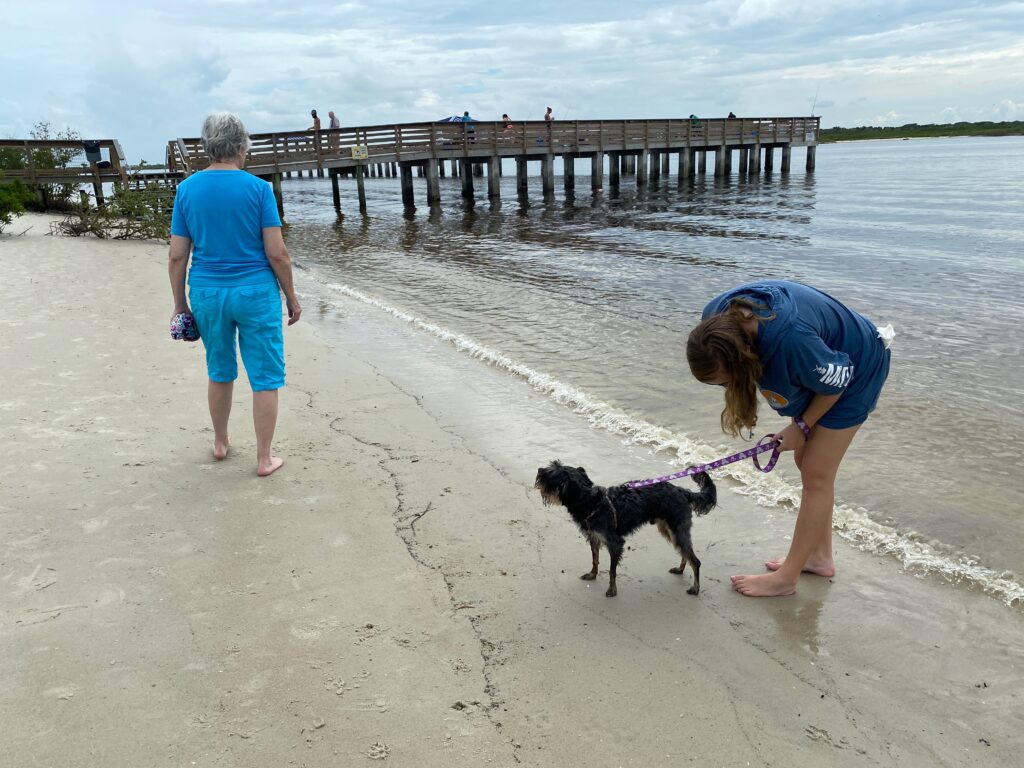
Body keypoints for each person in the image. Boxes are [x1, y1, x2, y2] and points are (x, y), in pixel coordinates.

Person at [686, 280, 891, 597]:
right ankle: (819, 557)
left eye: (726, 382)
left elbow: (839, 381)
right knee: (805, 461)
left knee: (816, 474)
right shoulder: (715, 319)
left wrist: (803, 425)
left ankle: (787, 578)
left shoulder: (791, 341)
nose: (726, 390)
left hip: (858, 365)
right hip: (821, 358)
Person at [168, 112, 302, 477]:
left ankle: (221, 442)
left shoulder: (187, 190)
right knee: (265, 375)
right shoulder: (258, 189)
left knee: (220, 369)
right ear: (241, 146)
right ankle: (263, 459)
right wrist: (291, 296)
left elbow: (178, 255)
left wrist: (180, 304)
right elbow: (277, 252)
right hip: (256, 292)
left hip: (208, 293)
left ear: (208, 146)